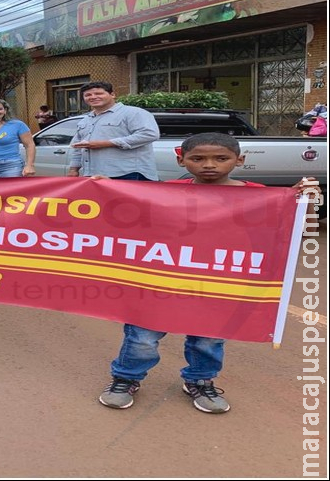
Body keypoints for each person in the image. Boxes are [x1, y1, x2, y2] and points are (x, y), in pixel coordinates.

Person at [97, 132, 317, 414]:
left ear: (240, 160)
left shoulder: (260, 196)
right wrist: (107, 193)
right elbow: (132, 221)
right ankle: (125, 378)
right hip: (162, 281)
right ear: (181, 160)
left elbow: (290, 230)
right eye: (198, 158)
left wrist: (304, 201)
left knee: (209, 338)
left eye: (221, 158)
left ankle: (200, 381)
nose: (209, 165)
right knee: (142, 337)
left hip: (219, 283)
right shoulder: (166, 193)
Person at [67, 81, 160, 181]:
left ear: (112, 95)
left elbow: (149, 134)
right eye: (88, 95)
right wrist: (73, 169)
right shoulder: (85, 120)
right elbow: (78, 147)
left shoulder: (133, 113)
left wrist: (106, 143)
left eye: (99, 93)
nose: (93, 97)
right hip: (93, 174)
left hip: (128, 173)